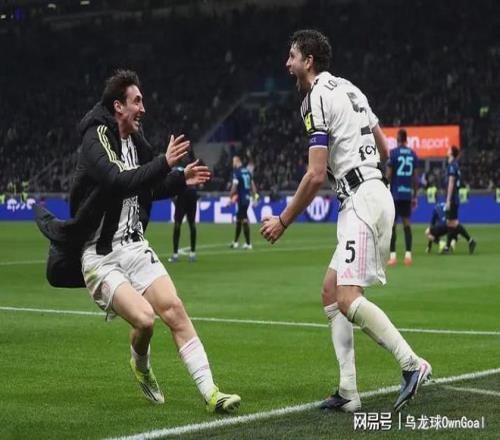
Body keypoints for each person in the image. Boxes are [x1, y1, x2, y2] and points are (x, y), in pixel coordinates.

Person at [35, 70, 240, 413]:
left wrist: (180, 178)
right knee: (145, 320)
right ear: (119, 106)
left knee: (174, 309)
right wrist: (164, 163)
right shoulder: (97, 137)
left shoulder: (135, 141)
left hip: (134, 246)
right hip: (101, 256)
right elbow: (117, 180)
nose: (143, 108)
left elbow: (146, 186)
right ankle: (141, 366)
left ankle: (212, 394)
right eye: (137, 101)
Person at [261, 30, 431, 413]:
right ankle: (349, 391)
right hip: (374, 191)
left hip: (360, 201)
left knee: (348, 298)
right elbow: (384, 148)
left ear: (308, 61)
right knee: (330, 291)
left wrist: (283, 221)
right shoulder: (351, 89)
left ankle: (412, 364)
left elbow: (315, 174)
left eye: (292, 56)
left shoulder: (314, 98)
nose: (287, 64)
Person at [386, 128, 418, 266]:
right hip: (406, 194)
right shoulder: (413, 154)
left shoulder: (393, 153)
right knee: (407, 224)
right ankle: (408, 256)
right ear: (406, 139)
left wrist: (385, 189)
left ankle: (393, 257)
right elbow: (415, 178)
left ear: (398, 138)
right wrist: (415, 196)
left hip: (394, 194)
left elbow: (389, 174)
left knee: (392, 225)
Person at [442, 146, 476, 254]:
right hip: (454, 197)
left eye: (449, 150)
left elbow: (451, 182)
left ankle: (470, 240)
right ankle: (447, 247)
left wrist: (448, 200)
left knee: (453, 223)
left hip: (452, 198)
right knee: (450, 222)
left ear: (452, 153)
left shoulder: (452, 166)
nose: (447, 150)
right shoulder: (455, 165)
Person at [168, 150, 199, 263]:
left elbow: (172, 184)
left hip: (185, 196)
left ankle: (181, 254)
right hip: (188, 195)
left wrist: (173, 198)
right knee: (187, 225)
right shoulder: (189, 167)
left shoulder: (180, 168)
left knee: (183, 224)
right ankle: (187, 254)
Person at [229, 155, 257, 249]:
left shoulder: (237, 172)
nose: (233, 164)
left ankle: (248, 244)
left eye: (233, 161)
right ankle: (235, 242)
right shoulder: (247, 172)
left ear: (237, 161)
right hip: (247, 198)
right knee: (239, 219)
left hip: (241, 199)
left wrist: (230, 196)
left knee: (244, 219)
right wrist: (255, 198)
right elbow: (253, 186)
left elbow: (234, 187)